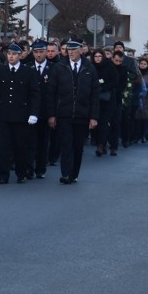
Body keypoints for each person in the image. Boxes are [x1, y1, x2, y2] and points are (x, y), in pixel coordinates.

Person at [0, 42, 41, 184]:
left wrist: (34, 113)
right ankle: (3, 175)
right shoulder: (0, 71)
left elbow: (34, 94)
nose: (11, 57)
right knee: (3, 147)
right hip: (4, 114)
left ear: (20, 55)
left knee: (20, 146)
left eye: (14, 54)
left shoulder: (28, 72)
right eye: (9, 54)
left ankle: (21, 173)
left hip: (21, 115)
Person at [47, 38, 100, 185]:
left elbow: (95, 94)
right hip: (64, 113)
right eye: (69, 50)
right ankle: (66, 173)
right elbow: (51, 92)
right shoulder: (60, 67)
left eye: (74, 50)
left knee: (78, 146)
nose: (71, 53)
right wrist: (51, 114)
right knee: (66, 144)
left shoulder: (89, 68)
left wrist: (94, 117)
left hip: (82, 114)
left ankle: (74, 173)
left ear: (81, 50)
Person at [25, 39, 52, 178]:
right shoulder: (27, 68)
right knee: (30, 141)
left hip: (46, 111)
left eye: (41, 52)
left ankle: (40, 168)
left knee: (43, 141)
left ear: (46, 52)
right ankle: (29, 167)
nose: (39, 55)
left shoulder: (53, 68)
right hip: (30, 111)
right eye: (36, 52)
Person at [90, 49, 117, 157]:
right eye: (95, 56)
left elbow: (114, 81)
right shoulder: (91, 67)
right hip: (94, 100)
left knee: (104, 123)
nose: (97, 58)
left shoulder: (110, 67)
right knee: (95, 123)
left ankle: (101, 145)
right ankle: (99, 143)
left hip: (107, 99)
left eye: (99, 56)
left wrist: (103, 87)